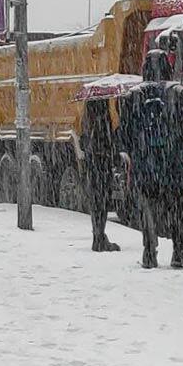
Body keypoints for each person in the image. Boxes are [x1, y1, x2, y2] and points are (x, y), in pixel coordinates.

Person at [120, 50, 183, 270]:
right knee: (177, 208)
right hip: (172, 163)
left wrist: (137, 152)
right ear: (168, 68)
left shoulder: (133, 95)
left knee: (148, 208)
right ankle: (179, 252)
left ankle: (149, 252)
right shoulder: (180, 93)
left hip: (145, 165)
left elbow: (125, 133)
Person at [81, 99, 121, 252]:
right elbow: (108, 144)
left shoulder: (88, 122)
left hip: (93, 167)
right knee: (102, 202)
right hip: (103, 166)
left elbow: (85, 143)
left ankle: (97, 236)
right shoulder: (103, 120)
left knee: (96, 202)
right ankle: (99, 237)